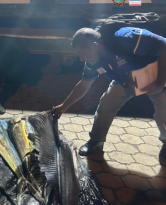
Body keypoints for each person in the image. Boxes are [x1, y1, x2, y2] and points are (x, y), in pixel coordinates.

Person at [53, 27, 166, 165]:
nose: (82, 59)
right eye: (78, 56)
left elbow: (164, 47)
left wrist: (160, 82)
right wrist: (64, 106)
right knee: (106, 103)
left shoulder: (126, 38)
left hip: (158, 74)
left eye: (83, 54)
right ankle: (96, 141)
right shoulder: (92, 62)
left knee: (164, 110)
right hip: (127, 80)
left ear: (95, 46)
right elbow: (84, 85)